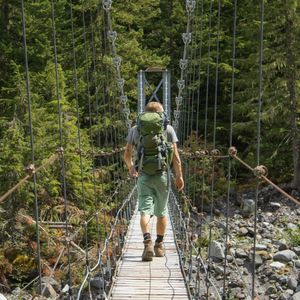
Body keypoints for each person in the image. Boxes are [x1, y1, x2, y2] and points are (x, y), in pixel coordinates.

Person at [124, 101, 184, 261]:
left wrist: (131, 167)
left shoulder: (135, 129)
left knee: (144, 211)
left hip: (143, 175)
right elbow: (176, 157)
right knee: (161, 212)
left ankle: (147, 241)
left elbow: (127, 154)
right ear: (160, 114)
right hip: (162, 176)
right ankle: (158, 246)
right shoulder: (168, 129)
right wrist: (179, 176)